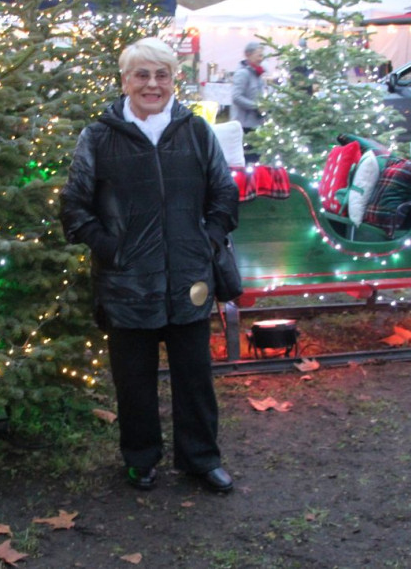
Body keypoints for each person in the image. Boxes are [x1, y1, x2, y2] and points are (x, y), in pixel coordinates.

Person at [60, 37, 240, 494]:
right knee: (134, 381)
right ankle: (140, 458)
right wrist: (110, 249)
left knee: (195, 378)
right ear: (125, 81)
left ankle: (201, 459)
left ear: (173, 80)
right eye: (142, 74)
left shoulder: (196, 132)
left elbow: (223, 193)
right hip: (127, 283)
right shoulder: (98, 136)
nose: (152, 84)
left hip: (188, 280)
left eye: (162, 75)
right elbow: (75, 205)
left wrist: (208, 240)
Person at [230, 42, 265, 132]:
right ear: (248, 55)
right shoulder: (242, 73)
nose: (261, 59)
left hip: (256, 122)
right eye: (258, 56)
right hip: (244, 124)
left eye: (262, 56)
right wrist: (257, 106)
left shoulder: (258, 73)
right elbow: (236, 97)